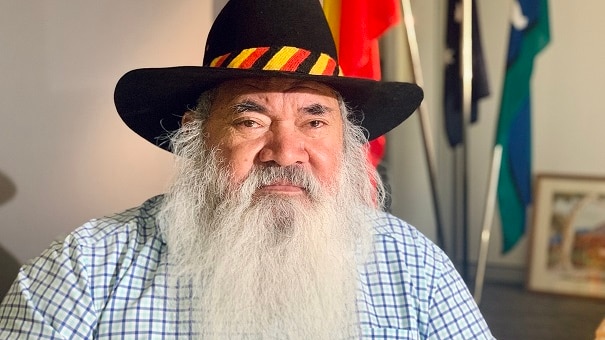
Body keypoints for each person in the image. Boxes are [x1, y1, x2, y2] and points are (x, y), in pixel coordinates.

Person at [0, 0, 494, 338]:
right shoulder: (88, 268)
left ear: (347, 141)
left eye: (314, 119)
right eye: (250, 119)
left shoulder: (413, 264)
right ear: (195, 136)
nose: (285, 151)